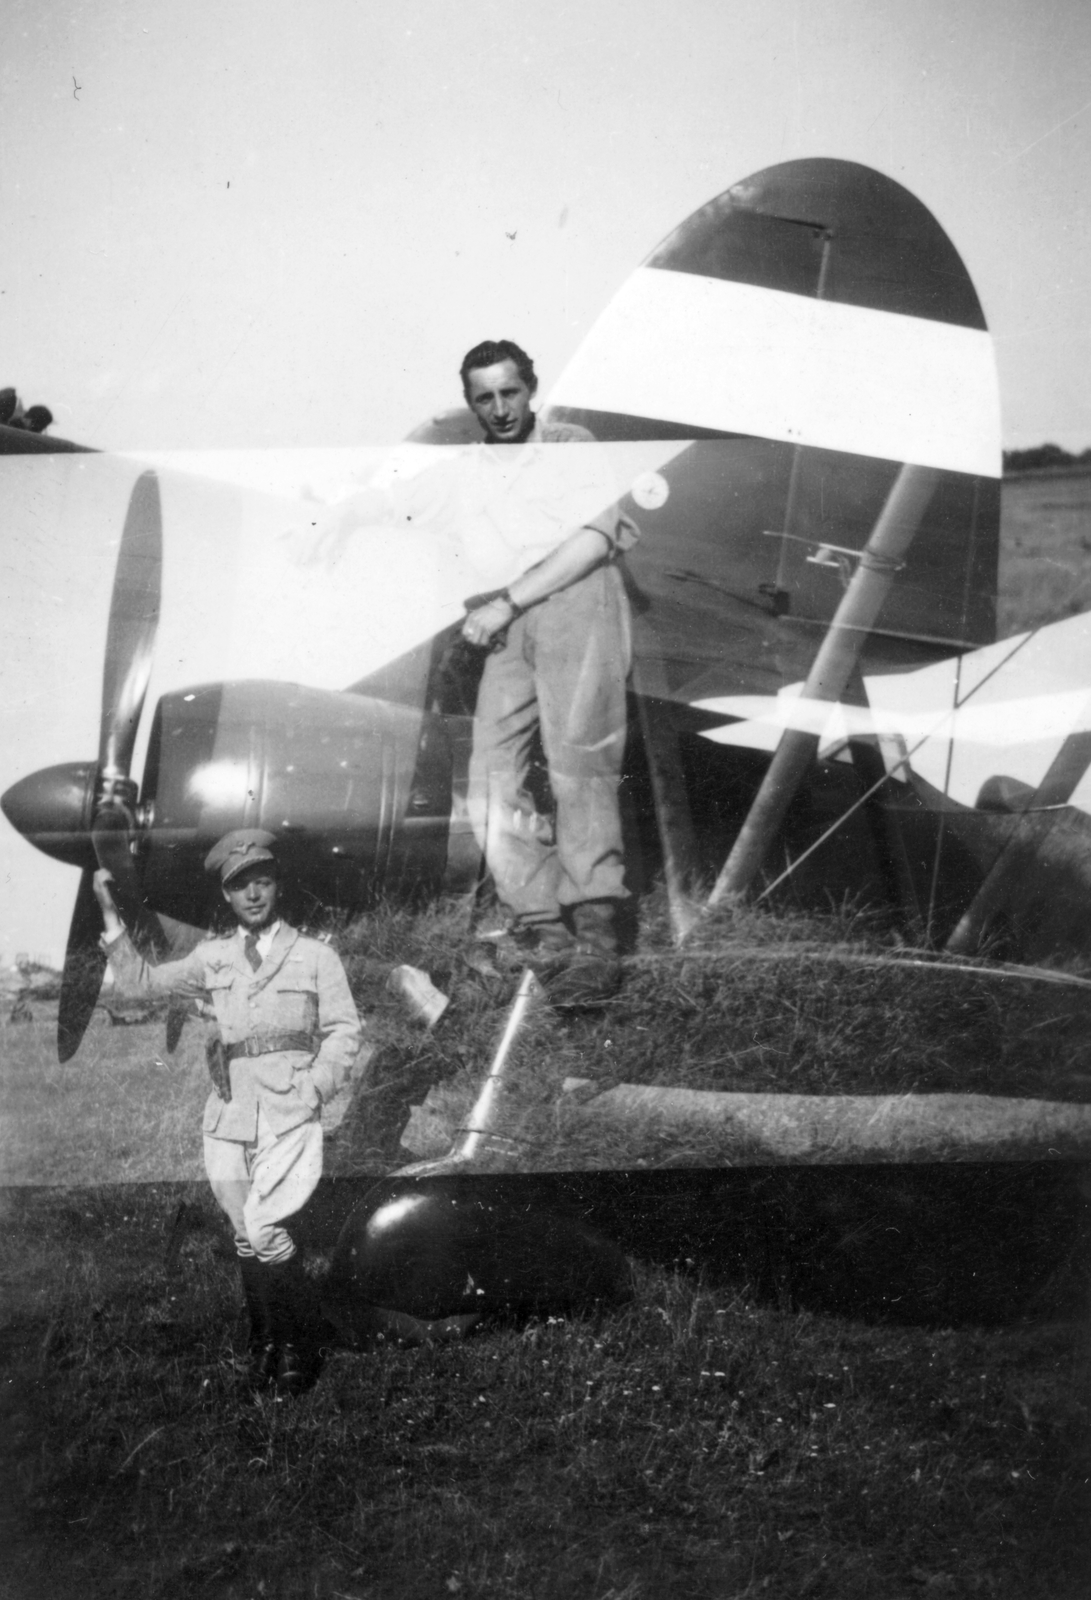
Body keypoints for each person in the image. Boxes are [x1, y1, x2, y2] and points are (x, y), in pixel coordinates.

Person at [93, 829, 362, 1397]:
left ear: (277, 886)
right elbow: (140, 984)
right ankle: (265, 1342)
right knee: (245, 1231)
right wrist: (110, 915)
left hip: (291, 1107)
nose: (254, 895)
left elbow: (343, 1031)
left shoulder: (316, 956)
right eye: (242, 887)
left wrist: (315, 1088)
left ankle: (299, 1342)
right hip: (231, 1112)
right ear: (227, 896)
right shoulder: (212, 957)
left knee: (266, 1226)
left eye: (262, 882)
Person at [454, 339, 638, 1004]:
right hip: (505, 619)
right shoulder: (471, 466)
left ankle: (595, 937)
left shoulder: (571, 443)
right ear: (470, 402)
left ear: (530, 388)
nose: (499, 408)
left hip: (573, 601)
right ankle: (541, 928)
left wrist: (507, 600)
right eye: (483, 397)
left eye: (509, 392)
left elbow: (592, 539)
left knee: (578, 764)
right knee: (490, 773)